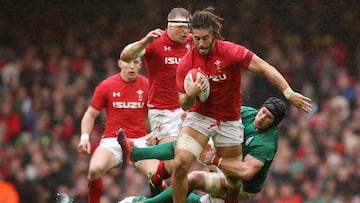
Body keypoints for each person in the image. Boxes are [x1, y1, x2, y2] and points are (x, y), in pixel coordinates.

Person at [172, 7, 312, 203]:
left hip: (229, 121)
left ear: (213, 33)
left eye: (205, 37)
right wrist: (191, 94)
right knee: (180, 164)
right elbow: (184, 105)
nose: (200, 43)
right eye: (196, 38)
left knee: (234, 182)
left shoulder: (231, 52)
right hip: (200, 117)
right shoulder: (187, 63)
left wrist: (288, 93)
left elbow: (264, 67)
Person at [117, 97, 288, 203]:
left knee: (193, 178)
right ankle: (136, 154)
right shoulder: (250, 114)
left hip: (242, 185)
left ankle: (149, 197)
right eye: (263, 112)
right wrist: (193, 112)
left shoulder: (266, 143)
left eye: (268, 118)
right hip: (226, 162)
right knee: (188, 143)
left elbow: (247, 172)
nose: (262, 117)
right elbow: (218, 111)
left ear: (274, 123)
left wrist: (215, 160)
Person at [120, 7, 192, 196]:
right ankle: (152, 171)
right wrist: (144, 41)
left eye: (188, 27)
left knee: (193, 159)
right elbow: (126, 56)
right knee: (175, 165)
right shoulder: (156, 42)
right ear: (170, 26)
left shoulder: (192, 42)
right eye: (182, 27)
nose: (186, 31)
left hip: (188, 108)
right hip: (163, 111)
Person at [76, 56, 151, 203]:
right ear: (120, 63)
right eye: (128, 62)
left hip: (139, 140)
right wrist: (84, 137)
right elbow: (90, 114)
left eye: (135, 62)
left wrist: (155, 132)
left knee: (157, 176)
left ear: (140, 65)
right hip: (112, 140)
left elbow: (158, 113)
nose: (131, 66)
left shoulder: (148, 85)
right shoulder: (107, 85)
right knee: (94, 170)